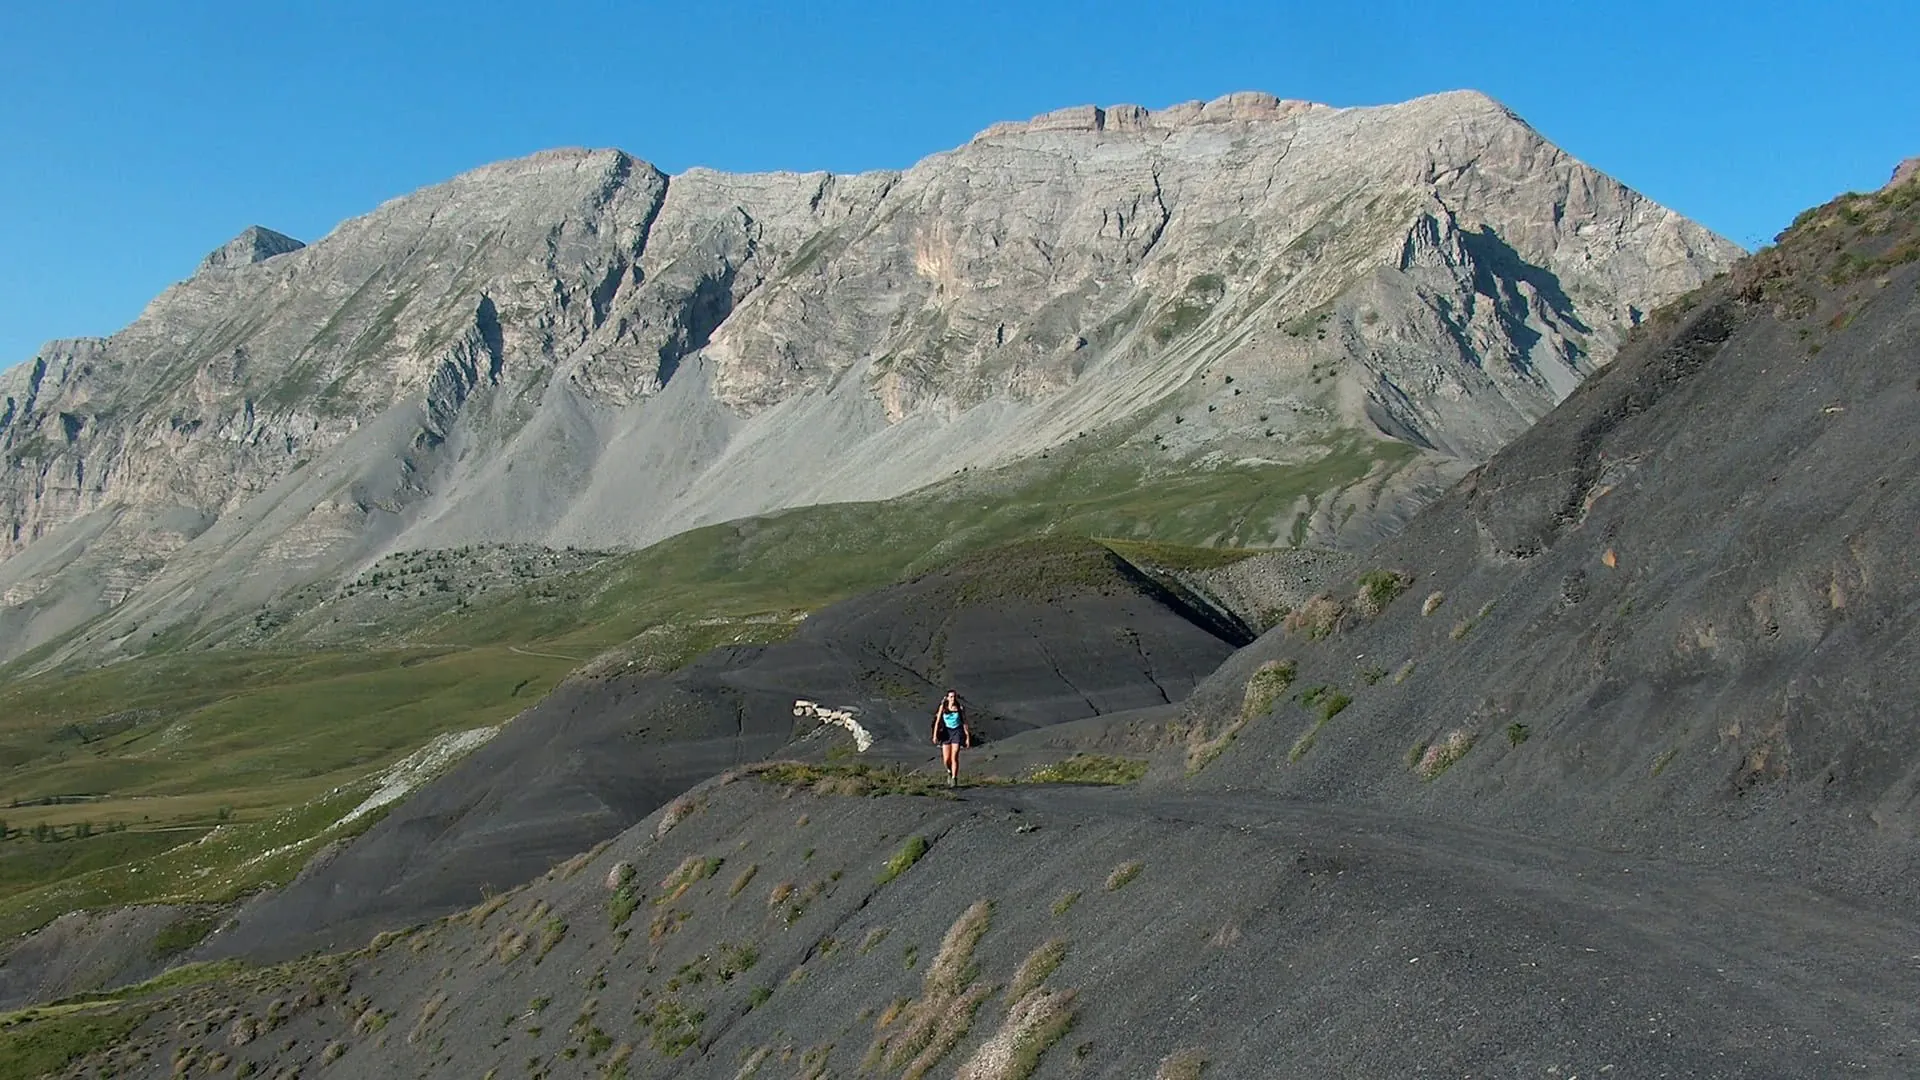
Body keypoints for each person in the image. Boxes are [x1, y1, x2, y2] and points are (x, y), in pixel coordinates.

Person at [930, 690, 971, 786]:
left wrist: (967, 737)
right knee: (946, 759)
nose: (953, 699)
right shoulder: (943, 708)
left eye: (954, 697)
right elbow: (937, 721)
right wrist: (935, 735)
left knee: (954, 756)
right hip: (946, 733)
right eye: (951, 697)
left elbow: (965, 723)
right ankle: (949, 771)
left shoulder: (960, 708)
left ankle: (954, 779)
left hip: (956, 732)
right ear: (947, 698)